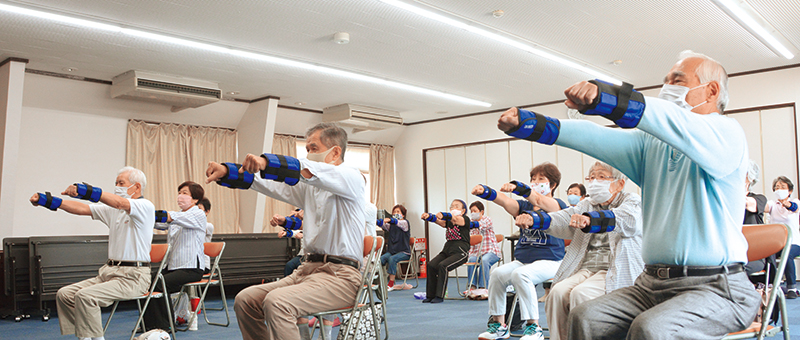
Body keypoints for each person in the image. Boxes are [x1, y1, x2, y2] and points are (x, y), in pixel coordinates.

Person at [498, 50, 761, 338]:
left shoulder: (727, 133)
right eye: (666, 80)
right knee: (585, 317)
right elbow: (598, 138)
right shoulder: (653, 145)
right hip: (651, 284)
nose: (668, 87)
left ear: (712, 90)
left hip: (718, 287)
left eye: (678, 79)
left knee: (651, 329)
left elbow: (672, 121)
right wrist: (536, 125)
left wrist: (608, 99)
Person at [207, 122, 365, 340]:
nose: (308, 154)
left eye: (314, 148)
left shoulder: (352, 178)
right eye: (307, 149)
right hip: (308, 271)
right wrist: (227, 172)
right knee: (245, 300)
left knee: (278, 302)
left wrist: (264, 161)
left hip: (341, 278)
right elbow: (269, 183)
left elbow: (301, 169)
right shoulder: (311, 187)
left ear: (335, 151)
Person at [515, 161, 644, 340]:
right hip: (586, 267)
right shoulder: (587, 204)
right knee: (557, 293)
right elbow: (564, 219)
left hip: (614, 269)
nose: (594, 181)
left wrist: (591, 220)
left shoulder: (632, 201)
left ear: (620, 183)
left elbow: (628, 220)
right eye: (591, 177)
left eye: (601, 176)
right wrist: (535, 220)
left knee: (580, 293)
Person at [29, 167, 154, 340]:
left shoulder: (144, 207)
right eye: (116, 183)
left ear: (137, 187)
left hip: (133, 277)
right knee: (65, 294)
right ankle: (85, 336)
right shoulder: (114, 211)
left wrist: (85, 190)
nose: (117, 186)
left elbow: (119, 202)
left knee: (85, 296)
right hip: (109, 272)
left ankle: (96, 338)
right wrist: (49, 201)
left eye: (121, 183)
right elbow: (83, 209)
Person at [473, 162, 566, 340]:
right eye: (533, 179)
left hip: (551, 261)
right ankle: (499, 325)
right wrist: (486, 191)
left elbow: (540, 201)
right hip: (524, 260)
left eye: (541, 179)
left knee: (521, 275)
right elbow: (505, 201)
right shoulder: (523, 206)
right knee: (497, 273)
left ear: (552, 185)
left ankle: (534, 327)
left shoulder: (557, 205)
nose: (536, 182)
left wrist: (519, 187)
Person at [144, 181, 207, 331]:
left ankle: (164, 326)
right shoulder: (178, 216)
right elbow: (160, 223)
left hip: (191, 268)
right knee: (146, 281)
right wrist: (142, 216)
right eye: (179, 193)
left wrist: (155, 213)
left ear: (195, 199)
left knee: (160, 284)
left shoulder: (197, 213)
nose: (180, 196)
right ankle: (149, 325)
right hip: (174, 267)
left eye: (185, 193)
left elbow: (170, 217)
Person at [420, 199, 471, 303]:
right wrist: (429, 217)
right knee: (431, 265)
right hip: (448, 248)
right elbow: (441, 222)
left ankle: (439, 296)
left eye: (457, 206)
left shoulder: (465, 219)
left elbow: (456, 220)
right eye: (452, 206)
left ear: (463, 210)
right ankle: (430, 295)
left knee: (443, 266)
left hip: (460, 250)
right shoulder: (449, 221)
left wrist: (443, 214)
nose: (453, 208)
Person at [764, 176, 800, 299]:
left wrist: (787, 204)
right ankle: (771, 285)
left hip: (794, 243)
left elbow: (794, 207)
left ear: (790, 191)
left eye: (783, 187)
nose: (779, 189)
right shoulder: (773, 204)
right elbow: (764, 207)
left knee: (787, 253)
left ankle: (792, 288)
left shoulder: (796, 202)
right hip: (777, 243)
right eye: (777, 188)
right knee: (767, 253)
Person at [465, 201, 501, 297]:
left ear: (481, 212)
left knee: (484, 261)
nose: (472, 213)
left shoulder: (487, 220)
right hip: (477, 253)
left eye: (475, 211)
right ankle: (472, 286)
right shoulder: (471, 223)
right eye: (471, 211)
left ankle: (483, 288)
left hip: (491, 251)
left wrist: (468, 224)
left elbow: (480, 225)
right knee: (471, 260)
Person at [379, 204, 412, 291]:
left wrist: (389, 219)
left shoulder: (405, 223)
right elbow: (383, 225)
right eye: (394, 212)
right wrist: (378, 221)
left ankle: (391, 283)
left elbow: (397, 222)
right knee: (380, 259)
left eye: (398, 212)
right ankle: (379, 281)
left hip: (404, 252)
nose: (395, 213)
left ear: (403, 215)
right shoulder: (391, 225)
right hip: (392, 251)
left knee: (392, 259)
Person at [743, 160, 767, 277]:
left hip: (754, 255)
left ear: (750, 179)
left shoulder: (759, 199)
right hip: (732, 252)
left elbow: (748, 204)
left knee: (733, 269)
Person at [197, 198, 214, 273]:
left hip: (202, 265)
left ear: (207, 212)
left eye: (199, 209)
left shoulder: (208, 226)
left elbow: (198, 227)